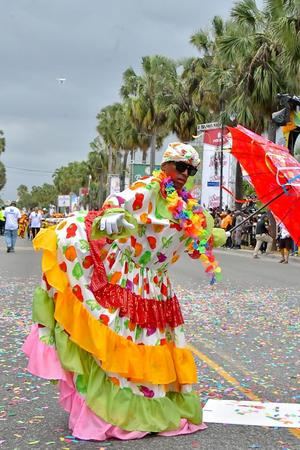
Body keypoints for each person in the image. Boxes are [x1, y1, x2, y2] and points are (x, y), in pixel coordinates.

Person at [23, 142, 226, 441]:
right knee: (123, 338)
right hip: (129, 279)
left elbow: (195, 238)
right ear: (166, 165)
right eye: (180, 167)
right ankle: (115, 412)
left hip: (157, 287)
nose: (185, 174)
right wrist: (112, 216)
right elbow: (116, 202)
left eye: (191, 170)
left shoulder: (187, 205)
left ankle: (152, 406)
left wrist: (211, 236)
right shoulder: (148, 189)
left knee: (154, 342)